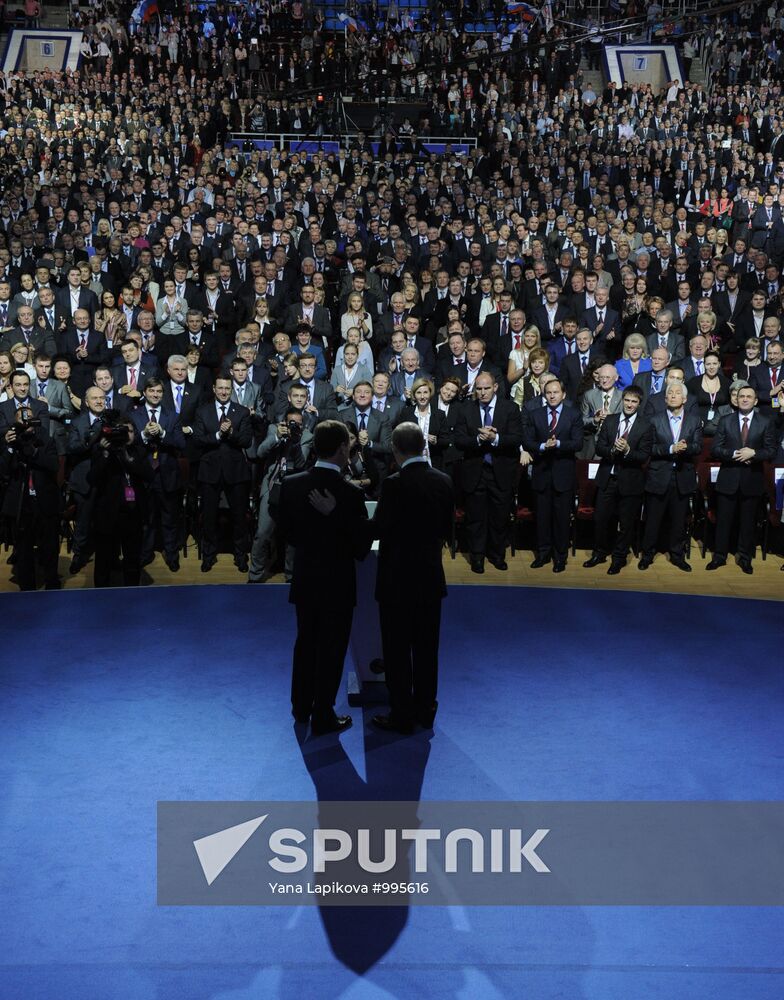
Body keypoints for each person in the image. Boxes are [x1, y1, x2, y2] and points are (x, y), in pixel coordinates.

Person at [276, 420, 373, 735]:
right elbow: (360, 547)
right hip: (337, 585)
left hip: (305, 579)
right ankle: (323, 715)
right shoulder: (350, 494)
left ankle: (301, 709)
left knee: (305, 643)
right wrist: (337, 518)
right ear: (344, 448)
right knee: (331, 648)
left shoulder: (291, 484)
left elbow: (287, 535)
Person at [371, 422, 455, 734]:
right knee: (426, 649)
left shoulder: (394, 484)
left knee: (396, 652)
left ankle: (402, 715)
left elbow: (379, 528)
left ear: (394, 450)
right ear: (423, 446)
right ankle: (426, 709)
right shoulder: (444, 480)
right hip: (431, 578)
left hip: (396, 581)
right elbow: (447, 529)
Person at [452, 372, 524, 573]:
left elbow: (517, 438)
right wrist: (477, 440)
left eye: (486, 388)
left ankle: (497, 555)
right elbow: (458, 439)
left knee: (499, 518)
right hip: (475, 472)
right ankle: (477, 557)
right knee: (476, 518)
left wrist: (495, 438)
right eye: (479, 389)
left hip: (501, 472)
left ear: (495, 387)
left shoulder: (510, 408)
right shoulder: (466, 409)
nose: (482, 392)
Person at [708, 386, 777, 574]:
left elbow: (771, 450)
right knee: (723, 522)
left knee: (748, 523)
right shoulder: (725, 421)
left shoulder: (766, 422)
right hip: (728, 479)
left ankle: (745, 558)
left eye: (749, 397)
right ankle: (719, 557)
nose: (745, 399)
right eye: (741, 397)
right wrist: (735, 454)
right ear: (736, 400)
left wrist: (754, 453)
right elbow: (715, 449)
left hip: (752, 480)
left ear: (755, 401)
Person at [584, 386, 653, 574]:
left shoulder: (646, 425)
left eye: (634, 401)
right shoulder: (611, 420)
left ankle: (619, 558)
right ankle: (599, 553)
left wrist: (628, 450)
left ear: (639, 404)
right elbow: (599, 448)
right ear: (622, 400)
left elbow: (644, 456)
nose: (630, 404)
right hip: (608, 478)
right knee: (600, 519)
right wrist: (613, 450)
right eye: (627, 400)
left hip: (631, 482)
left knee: (626, 523)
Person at [639, 382, 703, 572]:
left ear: (685, 399)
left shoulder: (694, 420)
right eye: (670, 393)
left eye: (678, 393)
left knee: (678, 521)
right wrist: (669, 449)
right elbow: (648, 448)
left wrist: (686, 448)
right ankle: (647, 555)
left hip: (682, 477)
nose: (673, 395)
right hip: (659, 476)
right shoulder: (654, 420)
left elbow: (698, 447)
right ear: (665, 398)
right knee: (653, 520)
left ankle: (677, 556)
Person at [522, 378, 584, 572]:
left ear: (563, 394)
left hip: (563, 476)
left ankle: (560, 557)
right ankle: (543, 554)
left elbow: (578, 443)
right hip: (541, 474)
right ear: (544, 394)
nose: (552, 395)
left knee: (561, 519)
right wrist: (542, 446)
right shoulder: (535, 414)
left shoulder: (573, 415)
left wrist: (557, 444)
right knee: (542, 518)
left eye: (556, 392)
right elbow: (527, 442)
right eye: (548, 392)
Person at [248, 404, 314, 584]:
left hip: (294, 490)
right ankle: (255, 575)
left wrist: (295, 442)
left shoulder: (307, 436)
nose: (294, 426)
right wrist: (277, 436)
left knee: (293, 537)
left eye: (298, 424)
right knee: (262, 533)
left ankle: (291, 576)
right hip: (273, 486)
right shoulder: (273, 429)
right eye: (291, 422)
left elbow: (301, 463)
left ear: (303, 425)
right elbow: (260, 452)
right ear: (284, 422)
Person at [193, 376, 253, 573]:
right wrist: (219, 435)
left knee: (239, 517)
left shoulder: (242, 411)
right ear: (213, 388)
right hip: (210, 471)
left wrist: (231, 433)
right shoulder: (203, 411)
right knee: (209, 517)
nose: (224, 391)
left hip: (236, 472)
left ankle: (240, 555)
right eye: (220, 388)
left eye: (227, 388)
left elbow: (246, 441)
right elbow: (198, 439)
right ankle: (209, 555)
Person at [88, 411, 154, 588]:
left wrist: (126, 456)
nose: (127, 434)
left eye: (131, 431)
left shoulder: (138, 452)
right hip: (107, 515)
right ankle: (101, 595)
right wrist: (105, 453)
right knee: (104, 561)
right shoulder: (103, 451)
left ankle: (132, 594)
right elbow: (92, 478)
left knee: (132, 560)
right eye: (123, 431)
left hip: (133, 514)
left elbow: (149, 475)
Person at [0, 404, 61, 591]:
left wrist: (32, 451)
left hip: (45, 502)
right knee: (24, 550)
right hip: (21, 504)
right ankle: (27, 589)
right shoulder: (9, 441)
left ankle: (52, 583)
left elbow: (53, 465)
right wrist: (10, 448)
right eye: (22, 420)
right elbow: (3, 473)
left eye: (30, 420)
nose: (27, 424)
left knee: (50, 548)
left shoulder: (45, 439)